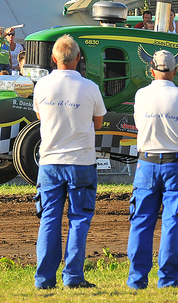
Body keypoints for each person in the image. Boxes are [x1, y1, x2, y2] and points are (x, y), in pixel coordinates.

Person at [33, 35, 106, 290]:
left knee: (49, 219)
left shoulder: (41, 86)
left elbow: (41, 116)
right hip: (81, 162)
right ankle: (73, 277)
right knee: (79, 219)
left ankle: (44, 279)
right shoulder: (90, 87)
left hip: (50, 161)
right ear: (78, 58)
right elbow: (98, 123)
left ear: (53, 59)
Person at [127, 49, 178, 290]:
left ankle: (137, 280)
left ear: (151, 70)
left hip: (146, 163)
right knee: (172, 222)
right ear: (175, 71)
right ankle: (168, 279)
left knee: (141, 222)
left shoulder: (141, 95)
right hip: (176, 164)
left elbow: (139, 125)